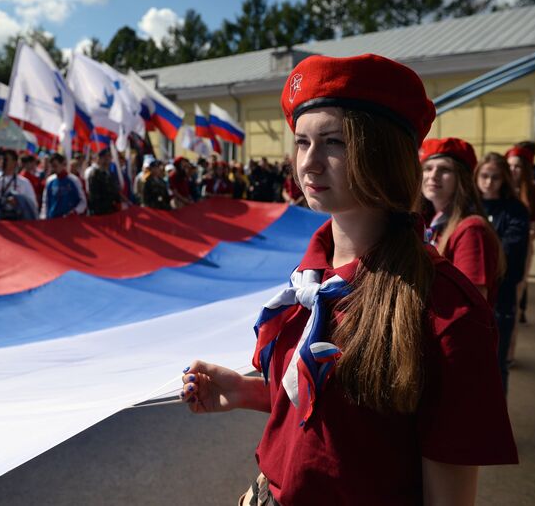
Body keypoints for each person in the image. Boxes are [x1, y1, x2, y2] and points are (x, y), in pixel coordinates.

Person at [180, 54, 516, 505]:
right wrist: (246, 391)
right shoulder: (309, 278)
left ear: (385, 153)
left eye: (333, 142)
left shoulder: (445, 309)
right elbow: (337, 415)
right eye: (302, 142)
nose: (310, 164)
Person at [419, 137, 502, 307]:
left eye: (444, 169)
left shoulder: (472, 229)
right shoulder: (428, 221)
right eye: (427, 168)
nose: (433, 175)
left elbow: (472, 303)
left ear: (462, 178)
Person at [475, 152, 529, 392]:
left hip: (500, 298)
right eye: (484, 176)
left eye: (495, 177)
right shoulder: (469, 205)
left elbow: (511, 252)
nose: (489, 182)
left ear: (504, 179)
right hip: (471, 298)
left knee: (497, 366)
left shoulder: (515, 210)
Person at [506, 144, 535, 324]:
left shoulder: (534, 194)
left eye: (518, 166)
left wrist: (512, 240)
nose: (513, 170)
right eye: (509, 166)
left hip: (522, 249)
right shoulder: (498, 190)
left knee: (516, 293)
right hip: (497, 249)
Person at [0, 149, 39, 220]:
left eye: (6, 159)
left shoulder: (24, 182)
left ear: (15, 163)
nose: (3, 162)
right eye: (2, 159)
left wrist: (19, 201)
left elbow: (33, 205)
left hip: (16, 221)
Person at [41, 153, 87, 219]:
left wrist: (75, 211)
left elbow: (83, 202)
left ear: (63, 164)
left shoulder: (74, 180)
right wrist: (43, 218)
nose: (53, 169)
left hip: (70, 221)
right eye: (52, 166)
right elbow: (45, 202)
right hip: (53, 220)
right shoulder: (50, 181)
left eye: (55, 166)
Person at [86, 148, 121, 215]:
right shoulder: (95, 174)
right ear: (99, 159)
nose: (107, 159)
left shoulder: (111, 174)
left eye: (109, 156)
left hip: (112, 211)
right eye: (104, 157)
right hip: (101, 212)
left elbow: (115, 191)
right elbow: (94, 196)